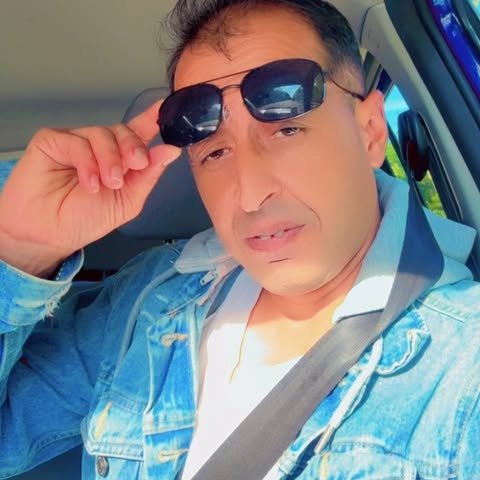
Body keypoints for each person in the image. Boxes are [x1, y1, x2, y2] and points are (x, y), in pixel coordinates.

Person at [0, 0, 479, 478]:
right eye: (214, 153)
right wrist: (22, 250)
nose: (250, 196)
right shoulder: (148, 299)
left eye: (287, 129)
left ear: (371, 132)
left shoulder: (461, 369)